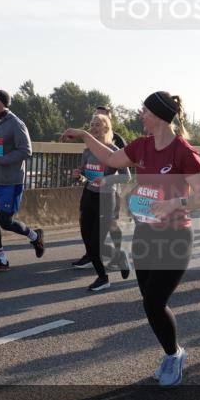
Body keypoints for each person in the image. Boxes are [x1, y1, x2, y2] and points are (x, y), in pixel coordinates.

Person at [63, 91, 200, 387]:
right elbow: (110, 157)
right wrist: (84, 135)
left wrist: (175, 203)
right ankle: (173, 351)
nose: (140, 115)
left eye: (145, 111)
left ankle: (174, 355)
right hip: (145, 233)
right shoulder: (141, 145)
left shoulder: (183, 151)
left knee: (155, 301)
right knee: (148, 301)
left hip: (174, 237)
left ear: (158, 116)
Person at [0, 90, 45, 273]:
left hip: (10, 182)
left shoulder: (16, 124)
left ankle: (35, 236)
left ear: (4, 103)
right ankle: (1, 260)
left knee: (5, 221)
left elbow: (26, 151)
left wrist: (2, 160)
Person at [71, 113, 131, 291]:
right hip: (89, 196)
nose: (94, 128)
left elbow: (126, 176)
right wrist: (78, 176)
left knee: (95, 243)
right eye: (92, 124)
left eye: (98, 124)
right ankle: (118, 257)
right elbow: (85, 175)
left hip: (105, 199)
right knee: (87, 240)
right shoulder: (87, 150)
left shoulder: (114, 150)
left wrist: (106, 180)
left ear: (106, 128)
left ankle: (103, 277)